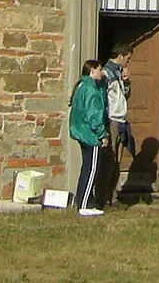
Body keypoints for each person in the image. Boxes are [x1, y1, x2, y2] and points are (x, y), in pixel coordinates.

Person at [69, 59, 108, 214]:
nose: (101, 72)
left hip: (81, 132)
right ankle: (84, 205)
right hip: (90, 134)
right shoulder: (90, 90)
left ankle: (85, 202)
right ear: (92, 71)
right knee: (92, 169)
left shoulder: (81, 85)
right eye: (99, 70)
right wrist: (102, 134)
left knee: (87, 168)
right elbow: (94, 115)